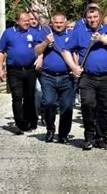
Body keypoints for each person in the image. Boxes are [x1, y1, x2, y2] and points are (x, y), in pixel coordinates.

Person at [62, 7, 107, 151]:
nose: (93, 20)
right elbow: (66, 50)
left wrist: (102, 38)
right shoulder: (79, 31)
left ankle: (101, 138)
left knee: (104, 108)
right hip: (88, 77)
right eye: (89, 17)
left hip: (106, 77)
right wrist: (73, 67)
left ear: (100, 17)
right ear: (86, 18)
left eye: (95, 17)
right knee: (88, 105)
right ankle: (89, 136)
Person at [34, 12, 74, 144]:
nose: (58, 25)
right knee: (49, 103)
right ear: (51, 23)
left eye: (61, 22)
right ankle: (50, 129)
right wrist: (46, 42)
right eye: (56, 22)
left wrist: (76, 67)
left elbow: (77, 52)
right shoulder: (46, 33)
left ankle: (63, 134)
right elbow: (37, 51)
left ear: (65, 22)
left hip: (67, 77)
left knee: (67, 107)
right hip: (48, 77)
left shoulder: (71, 35)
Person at [0, 12, 38, 134]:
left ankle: (31, 119)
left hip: (30, 70)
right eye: (24, 20)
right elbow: (0, 52)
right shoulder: (8, 33)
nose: (27, 22)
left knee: (29, 97)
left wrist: (40, 58)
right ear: (17, 21)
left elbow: (40, 49)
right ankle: (20, 123)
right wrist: (0, 69)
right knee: (17, 97)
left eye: (28, 20)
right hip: (14, 70)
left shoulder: (34, 33)